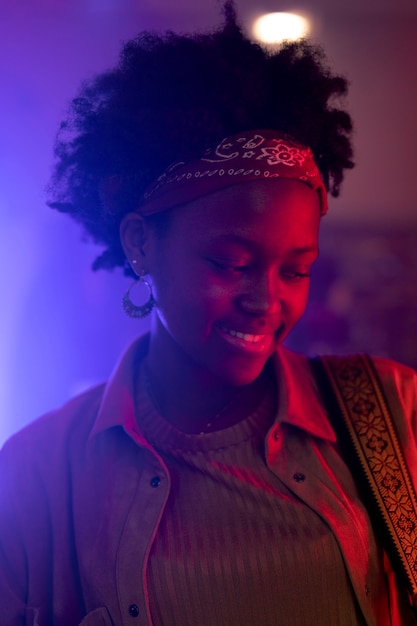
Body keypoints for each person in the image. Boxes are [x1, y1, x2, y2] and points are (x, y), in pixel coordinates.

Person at [1, 3, 416, 625]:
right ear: (141, 243)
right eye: (231, 262)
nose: (267, 299)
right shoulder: (36, 477)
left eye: (296, 270)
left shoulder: (393, 414)